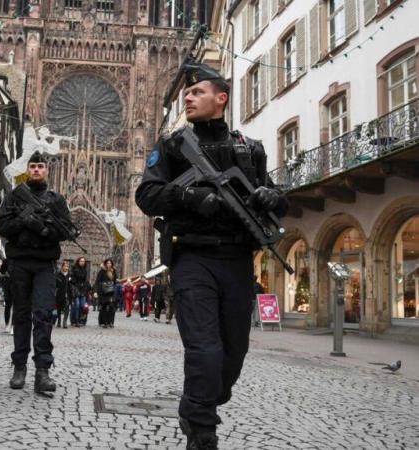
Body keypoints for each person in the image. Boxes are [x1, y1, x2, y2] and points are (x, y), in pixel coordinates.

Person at [135, 61, 288, 448]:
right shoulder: (173, 147)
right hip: (193, 258)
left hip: (237, 260)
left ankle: (199, 401)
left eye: (196, 92)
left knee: (233, 353)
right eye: (186, 92)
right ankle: (202, 429)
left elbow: (268, 195)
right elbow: (147, 195)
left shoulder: (249, 150)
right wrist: (187, 195)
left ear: (220, 99)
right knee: (204, 348)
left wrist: (273, 197)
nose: (188, 96)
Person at [0, 151, 73, 394]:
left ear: (47, 170)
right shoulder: (14, 196)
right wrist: (24, 221)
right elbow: (2, 226)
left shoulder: (56, 200)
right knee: (21, 315)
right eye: (33, 166)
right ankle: (19, 366)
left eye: (41, 166)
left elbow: (66, 230)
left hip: (44, 265)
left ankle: (43, 370)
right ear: (27, 170)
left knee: (42, 315)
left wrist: (42, 227)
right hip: (19, 262)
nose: (37, 170)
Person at [94, 259, 117, 328]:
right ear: (105, 264)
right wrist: (96, 291)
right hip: (103, 292)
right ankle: (104, 322)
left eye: (110, 263)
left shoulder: (114, 271)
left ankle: (111, 322)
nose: (109, 264)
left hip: (111, 292)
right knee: (103, 307)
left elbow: (115, 281)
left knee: (112, 307)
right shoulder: (102, 272)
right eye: (107, 263)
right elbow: (97, 282)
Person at [70, 257, 91, 327]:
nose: (82, 262)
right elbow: (72, 279)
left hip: (83, 290)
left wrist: (87, 288)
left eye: (83, 261)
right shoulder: (74, 269)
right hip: (76, 289)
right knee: (77, 305)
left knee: (82, 306)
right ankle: (75, 321)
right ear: (78, 261)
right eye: (81, 261)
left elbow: (85, 280)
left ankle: (80, 319)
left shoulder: (85, 270)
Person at [55, 261, 72, 329]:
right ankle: (59, 320)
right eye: (65, 266)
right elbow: (56, 284)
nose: (66, 268)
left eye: (67, 266)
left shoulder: (70, 275)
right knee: (59, 308)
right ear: (62, 267)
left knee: (67, 307)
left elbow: (72, 284)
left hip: (67, 294)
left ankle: (64, 322)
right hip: (60, 293)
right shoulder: (58, 274)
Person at [0, 259, 14, 334]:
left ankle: (7, 325)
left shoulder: (6, 260)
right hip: (15, 284)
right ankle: (12, 326)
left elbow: (1, 271)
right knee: (14, 306)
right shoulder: (18, 259)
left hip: (8, 284)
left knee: (8, 306)